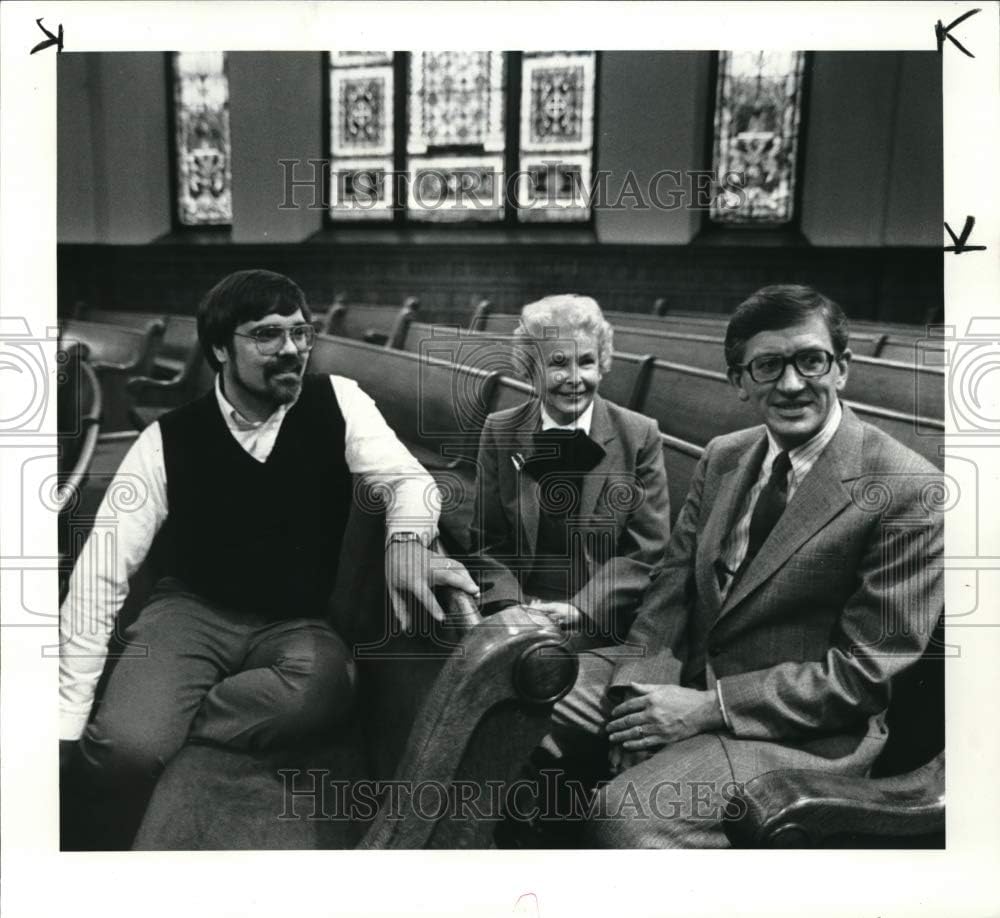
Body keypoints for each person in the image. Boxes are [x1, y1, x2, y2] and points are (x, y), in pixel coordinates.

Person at [58, 269, 478, 848]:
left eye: (301, 333)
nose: (291, 350)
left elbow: (412, 481)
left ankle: (168, 714)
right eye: (266, 335)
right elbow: (100, 574)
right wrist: (68, 712)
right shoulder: (166, 440)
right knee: (126, 754)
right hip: (191, 613)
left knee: (321, 692)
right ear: (219, 349)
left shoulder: (340, 402)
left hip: (294, 623)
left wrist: (405, 540)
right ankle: (147, 721)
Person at [535, 284, 943, 847]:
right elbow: (669, 592)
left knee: (626, 814)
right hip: (684, 675)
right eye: (769, 366)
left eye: (811, 360)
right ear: (740, 382)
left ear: (842, 368)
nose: (793, 384)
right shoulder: (725, 455)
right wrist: (639, 696)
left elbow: (862, 675)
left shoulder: (906, 489)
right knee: (518, 684)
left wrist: (706, 709)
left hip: (802, 733)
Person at [469, 294, 670, 645]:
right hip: (519, 607)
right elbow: (488, 541)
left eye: (587, 362)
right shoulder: (500, 430)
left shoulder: (638, 435)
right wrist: (512, 606)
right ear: (530, 367)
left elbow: (646, 550)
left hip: (601, 614)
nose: (575, 378)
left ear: (602, 363)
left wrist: (582, 608)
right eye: (558, 363)